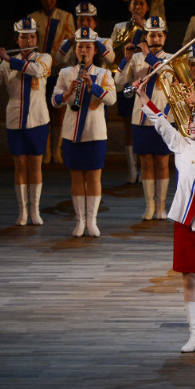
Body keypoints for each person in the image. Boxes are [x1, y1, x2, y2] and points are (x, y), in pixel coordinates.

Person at [134, 83, 195, 354]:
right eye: (191, 120)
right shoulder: (181, 145)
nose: (191, 125)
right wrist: (143, 96)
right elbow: (160, 122)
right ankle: (194, 334)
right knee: (189, 278)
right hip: (186, 223)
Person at [0, 18, 51, 227]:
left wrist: (8, 60)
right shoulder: (5, 63)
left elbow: (36, 71)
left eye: (31, 36)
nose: (28, 39)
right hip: (14, 120)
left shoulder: (44, 58)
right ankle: (22, 211)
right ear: (17, 39)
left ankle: (35, 210)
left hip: (38, 119)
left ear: (36, 38)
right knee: (20, 165)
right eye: (23, 36)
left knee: (35, 165)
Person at [51, 27, 116, 237]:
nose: (84, 51)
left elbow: (112, 99)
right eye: (80, 47)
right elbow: (55, 100)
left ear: (95, 50)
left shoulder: (104, 74)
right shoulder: (64, 73)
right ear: (75, 50)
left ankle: (93, 221)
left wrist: (92, 86)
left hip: (95, 133)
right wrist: (69, 92)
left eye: (88, 47)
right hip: (71, 133)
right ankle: (80, 221)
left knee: (94, 178)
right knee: (77, 177)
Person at [116, 16, 172, 220]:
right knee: (147, 163)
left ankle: (161, 207)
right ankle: (149, 206)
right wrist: (126, 58)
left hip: (164, 117)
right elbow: (119, 82)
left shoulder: (171, 57)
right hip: (140, 118)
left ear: (165, 37)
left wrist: (147, 54)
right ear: (145, 36)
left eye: (159, 34)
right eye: (151, 34)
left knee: (163, 162)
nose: (155, 38)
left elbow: (164, 73)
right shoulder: (136, 58)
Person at [29, 0, 75, 164]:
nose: (48, 1)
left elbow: (71, 45)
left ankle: (57, 149)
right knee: (42, 110)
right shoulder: (32, 18)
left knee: (59, 111)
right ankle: (45, 149)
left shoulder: (66, 17)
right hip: (39, 72)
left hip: (58, 70)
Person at [111, 0, 150, 184]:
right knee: (128, 125)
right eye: (134, 3)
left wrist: (143, 27)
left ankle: (144, 169)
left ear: (147, 6)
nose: (137, 7)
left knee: (145, 124)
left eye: (141, 3)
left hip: (145, 80)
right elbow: (112, 53)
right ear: (129, 7)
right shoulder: (119, 27)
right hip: (126, 79)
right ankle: (132, 169)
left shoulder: (152, 26)